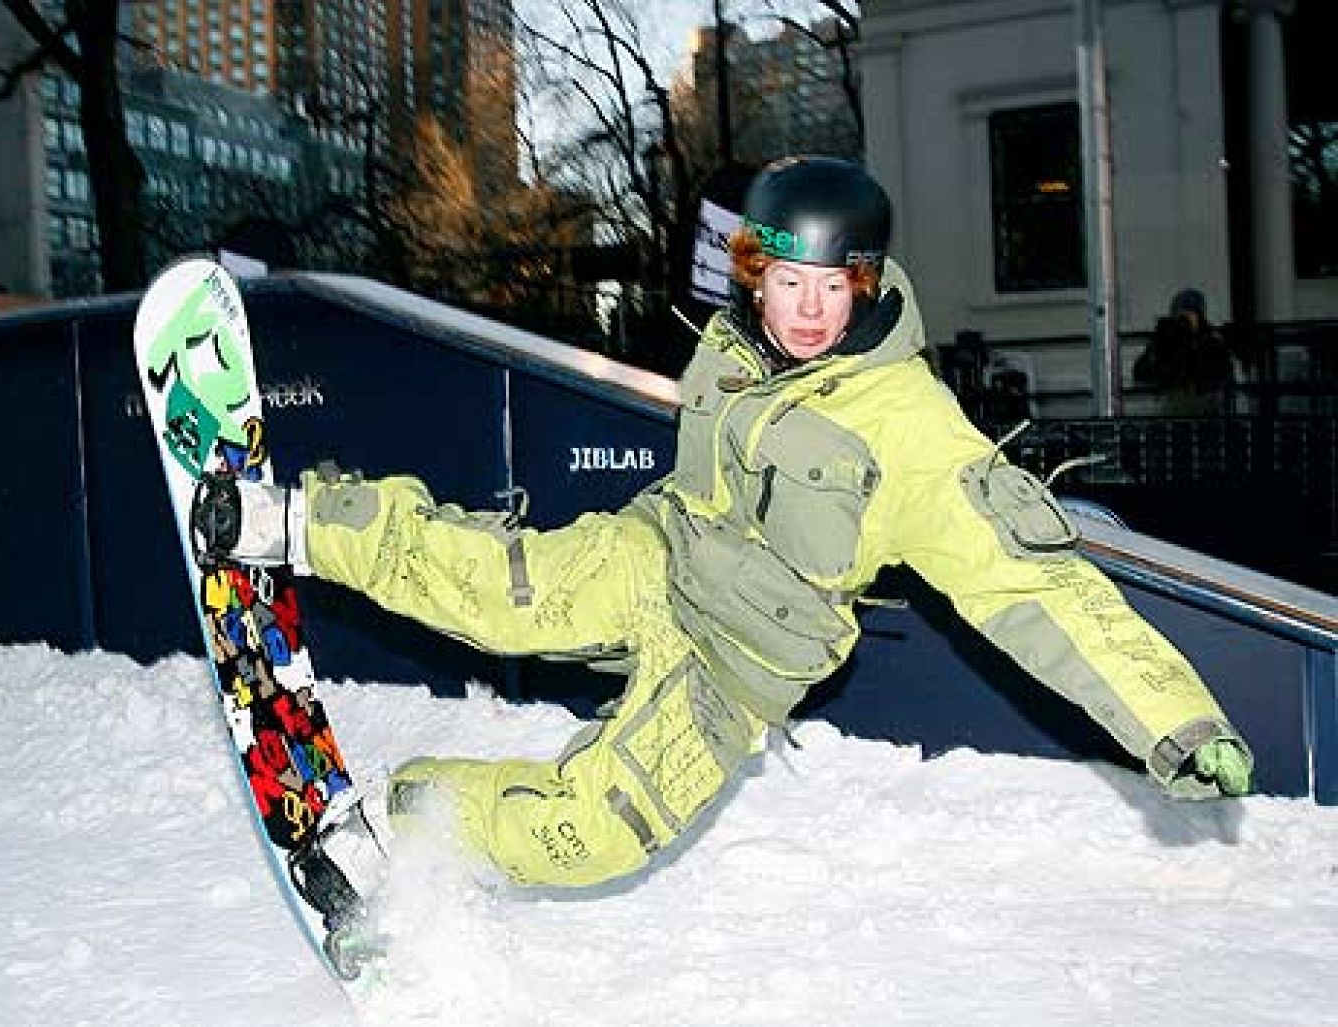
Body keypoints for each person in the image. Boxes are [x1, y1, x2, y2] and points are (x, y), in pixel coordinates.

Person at [205, 156, 1254, 917]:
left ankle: (406, 818)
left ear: (867, 282)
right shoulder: (733, 341)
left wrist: (1173, 719)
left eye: (828, 290)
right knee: (496, 585)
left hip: (736, 669)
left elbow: (1037, 588)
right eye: (784, 284)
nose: (803, 312)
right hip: (660, 556)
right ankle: (295, 520)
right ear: (755, 275)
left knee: (592, 835)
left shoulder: (912, 432)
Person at [1134, 288, 1234, 415]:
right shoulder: (1167, 337)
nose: (1185, 320)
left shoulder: (1209, 337)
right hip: (1175, 404)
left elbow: (1220, 371)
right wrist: (1163, 345)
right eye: (1182, 315)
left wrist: (1199, 342)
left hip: (1204, 403)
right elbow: (1141, 372)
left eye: (1190, 314)